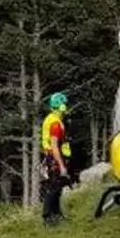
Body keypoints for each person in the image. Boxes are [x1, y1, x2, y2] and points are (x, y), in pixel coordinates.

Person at [40, 91, 72, 226]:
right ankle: (47, 217)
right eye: (64, 105)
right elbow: (54, 146)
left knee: (58, 187)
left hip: (53, 157)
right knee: (53, 188)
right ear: (61, 106)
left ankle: (56, 214)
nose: (66, 107)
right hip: (55, 158)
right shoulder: (55, 124)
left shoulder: (52, 119)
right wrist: (62, 165)